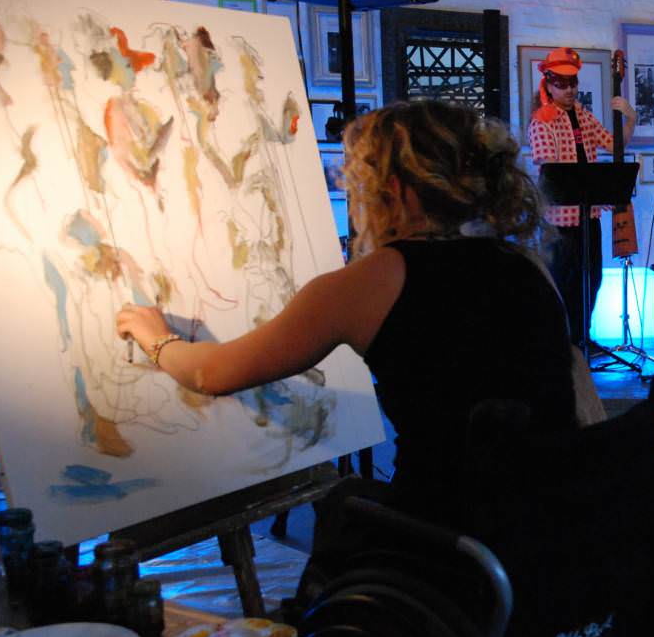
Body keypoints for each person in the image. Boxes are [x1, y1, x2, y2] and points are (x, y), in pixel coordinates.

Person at [116, 99, 580, 514]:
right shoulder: (524, 263)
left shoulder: (375, 279)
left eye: (359, 183)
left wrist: (156, 338)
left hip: (446, 533)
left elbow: (210, 374)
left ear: (396, 190)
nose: (357, 199)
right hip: (555, 520)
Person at [525, 47, 636, 347]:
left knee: (593, 279)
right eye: (562, 83)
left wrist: (630, 119)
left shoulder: (584, 116)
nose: (570, 89)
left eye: (573, 82)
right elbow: (552, 172)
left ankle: (582, 339)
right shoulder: (542, 120)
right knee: (564, 283)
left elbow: (613, 145)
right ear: (548, 84)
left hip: (588, 216)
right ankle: (564, 343)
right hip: (560, 222)